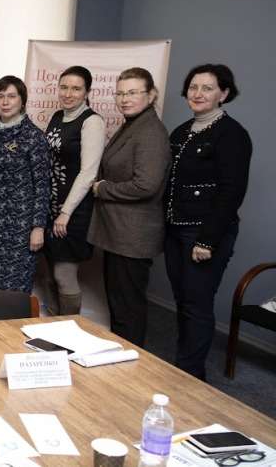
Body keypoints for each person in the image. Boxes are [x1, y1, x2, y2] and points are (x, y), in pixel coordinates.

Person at [164, 64, 251, 380]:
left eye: (207, 88)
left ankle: (190, 377)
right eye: (193, 87)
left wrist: (207, 240)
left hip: (203, 234)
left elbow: (232, 192)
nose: (198, 93)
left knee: (197, 304)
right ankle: (183, 365)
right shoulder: (181, 132)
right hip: (175, 230)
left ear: (223, 94)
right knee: (182, 300)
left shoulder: (232, 135)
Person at [89, 67, 170, 347]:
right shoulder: (133, 125)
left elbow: (146, 186)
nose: (125, 99)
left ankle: (132, 359)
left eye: (133, 92)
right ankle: (121, 354)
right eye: (120, 93)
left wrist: (102, 188)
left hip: (132, 237)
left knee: (128, 308)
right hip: (119, 233)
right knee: (120, 304)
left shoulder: (150, 132)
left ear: (151, 95)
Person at [0, 76, 50, 293]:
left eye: (12, 96)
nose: (5, 102)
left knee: (10, 291)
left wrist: (38, 228)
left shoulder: (34, 137)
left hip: (19, 227)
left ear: (22, 101)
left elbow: (42, 186)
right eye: (0, 96)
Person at [42, 65, 106, 315]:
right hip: (50, 208)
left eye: (76, 89)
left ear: (87, 92)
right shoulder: (58, 116)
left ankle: (69, 328)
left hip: (72, 211)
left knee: (64, 274)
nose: (68, 94)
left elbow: (88, 172)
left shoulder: (92, 122)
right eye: (64, 87)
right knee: (49, 273)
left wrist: (65, 212)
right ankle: (52, 326)